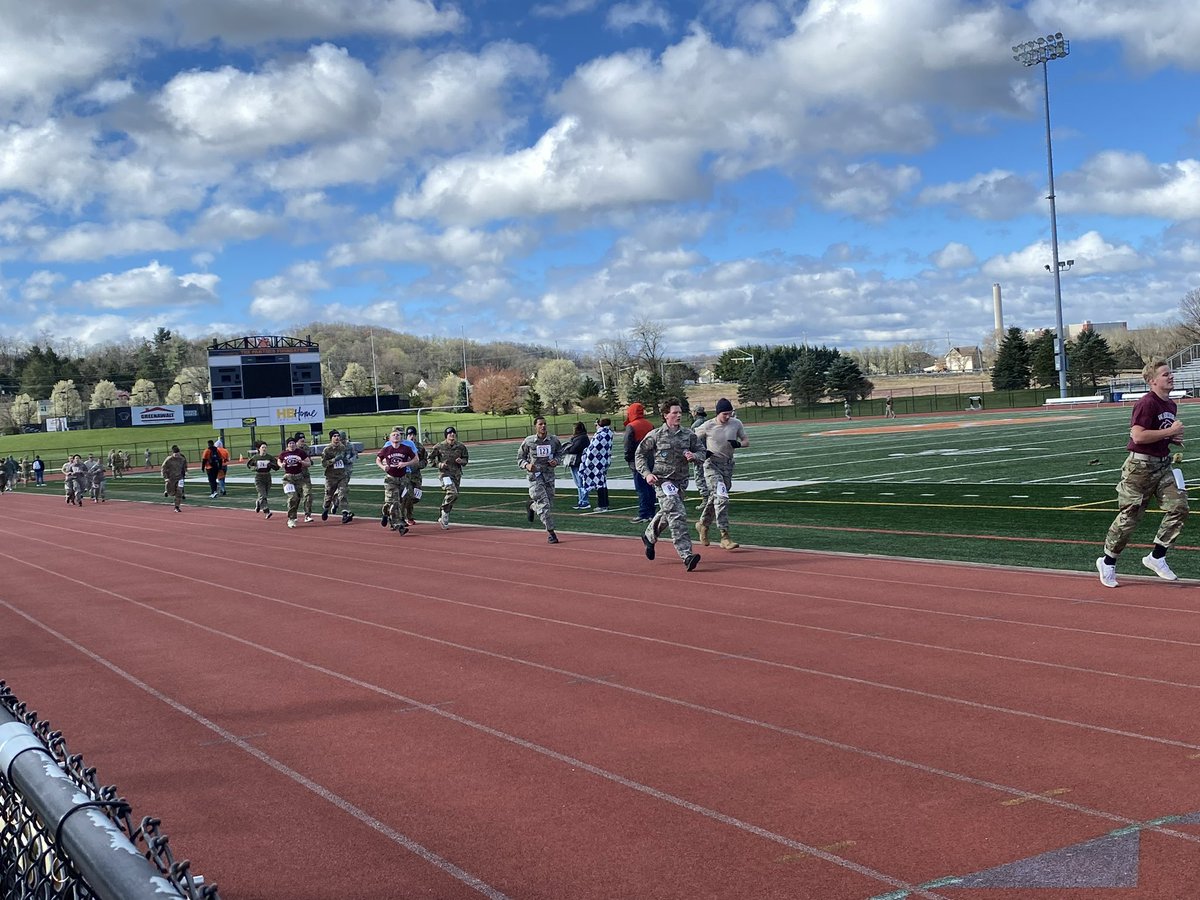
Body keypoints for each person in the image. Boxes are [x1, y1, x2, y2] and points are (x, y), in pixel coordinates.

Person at [1096, 360, 1189, 587]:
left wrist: (1171, 438)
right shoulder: (1146, 404)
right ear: (1152, 380)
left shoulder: (1170, 405)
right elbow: (1137, 436)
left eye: (1171, 373)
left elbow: (1157, 433)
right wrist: (1169, 431)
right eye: (1166, 374)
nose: (1171, 377)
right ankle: (1108, 562)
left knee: (1179, 507)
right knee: (1129, 518)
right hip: (1139, 469)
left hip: (1162, 466)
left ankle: (1157, 557)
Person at [635, 399, 704, 571]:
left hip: (680, 482)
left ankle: (649, 535)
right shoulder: (656, 435)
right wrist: (647, 474)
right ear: (665, 415)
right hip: (662, 481)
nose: (678, 415)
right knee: (677, 514)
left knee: (667, 513)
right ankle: (686, 555)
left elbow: (702, 452)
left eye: (680, 412)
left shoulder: (689, 435)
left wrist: (694, 457)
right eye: (674, 412)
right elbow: (640, 454)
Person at [694, 397, 749, 550]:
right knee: (723, 497)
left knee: (716, 497)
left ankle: (703, 524)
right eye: (724, 414)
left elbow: (746, 440)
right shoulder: (708, 425)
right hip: (712, 465)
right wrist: (702, 453)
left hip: (728, 465)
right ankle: (724, 535)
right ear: (718, 413)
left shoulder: (736, 424)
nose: (727, 417)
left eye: (730, 414)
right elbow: (691, 440)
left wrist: (738, 444)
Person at [517, 416, 562, 543]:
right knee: (544, 506)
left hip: (549, 477)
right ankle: (551, 533)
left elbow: (560, 452)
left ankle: (531, 506)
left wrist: (556, 461)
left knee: (549, 504)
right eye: (540, 424)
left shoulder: (553, 440)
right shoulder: (529, 441)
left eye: (545, 424)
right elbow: (520, 458)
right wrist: (527, 465)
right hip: (535, 478)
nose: (543, 426)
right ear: (535, 426)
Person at [376, 428, 417, 534]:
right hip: (391, 479)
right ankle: (398, 525)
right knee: (394, 502)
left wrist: (405, 464)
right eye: (394, 434)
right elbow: (378, 459)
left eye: (398, 435)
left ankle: (386, 513)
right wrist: (383, 467)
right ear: (390, 438)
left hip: (403, 478)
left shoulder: (406, 448)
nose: (396, 436)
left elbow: (416, 459)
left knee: (402, 499)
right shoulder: (386, 449)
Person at [428, 425, 469, 529]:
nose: (452, 435)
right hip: (445, 474)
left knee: (455, 495)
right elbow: (430, 459)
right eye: (450, 433)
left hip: (456, 474)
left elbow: (466, 460)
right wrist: (439, 464)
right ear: (446, 435)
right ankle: (444, 511)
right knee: (452, 492)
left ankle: (444, 514)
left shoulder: (461, 446)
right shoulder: (439, 446)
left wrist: (461, 461)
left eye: (453, 433)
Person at [623, 402, 656, 523]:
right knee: (650, 487)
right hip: (650, 459)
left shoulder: (631, 426)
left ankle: (643, 513)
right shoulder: (650, 425)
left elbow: (628, 445)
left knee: (641, 488)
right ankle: (652, 512)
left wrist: (629, 459)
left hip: (637, 461)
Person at [579, 418, 614, 512]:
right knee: (602, 483)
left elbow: (593, 448)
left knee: (599, 483)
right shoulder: (608, 433)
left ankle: (602, 505)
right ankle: (604, 504)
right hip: (604, 461)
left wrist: (585, 454)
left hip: (597, 462)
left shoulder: (601, 434)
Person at [320, 430, 354, 524]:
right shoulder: (327, 450)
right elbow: (323, 463)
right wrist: (334, 460)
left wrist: (347, 460)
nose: (337, 438)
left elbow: (346, 458)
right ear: (331, 438)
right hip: (331, 477)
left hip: (342, 475)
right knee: (328, 496)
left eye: (338, 436)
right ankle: (326, 509)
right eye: (334, 436)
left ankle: (345, 514)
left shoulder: (343, 447)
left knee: (343, 493)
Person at [278, 437, 311, 529]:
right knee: (293, 497)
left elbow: (309, 463)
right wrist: (281, 465)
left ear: (295, 444)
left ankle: (296, 514)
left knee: (298, 498)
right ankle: (291, 518)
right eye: (289, 443)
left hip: (299, 477)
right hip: (288, 478)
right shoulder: (284, 453)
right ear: (287, 445)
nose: (291, 445)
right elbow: (279, 461)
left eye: (293, 443)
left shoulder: (300, 452)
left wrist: (302, 462)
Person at [400, 425, 427, 526]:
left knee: (416, 497)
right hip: (405, 477)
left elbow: (425, 460)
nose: (412, 436)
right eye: (409, 434)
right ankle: (405, 517)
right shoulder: (402, 447)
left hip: (416, 477)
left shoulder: (419, 447)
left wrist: (418, 465)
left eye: (413, 434)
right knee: (407, 496)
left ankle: (406, 515)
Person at [246, 440, 279, 520]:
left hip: (267, 477)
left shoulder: (270, 457)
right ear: (259, 449)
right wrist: (255, 468)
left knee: (264, 495)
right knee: (263, 495)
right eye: (262, 447)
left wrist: (271, 465)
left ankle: (258, 502)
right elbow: (249, 465)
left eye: (265, 447)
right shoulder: (255, 457)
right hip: (259, 477)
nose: (264, 449)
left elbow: (277, 467)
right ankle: (267, 511)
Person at [562, 422, 591, 509]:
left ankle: (584, 501)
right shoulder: (579, 438)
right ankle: (581, 500)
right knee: (579, 483)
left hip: (578, 462)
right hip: (576, 462)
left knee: (581, 482)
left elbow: (574, 449)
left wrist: (568, 447)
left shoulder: (581, 438)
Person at [292, 433, 315, 522]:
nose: (303, 442)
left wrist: (309, 462)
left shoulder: (306, 448)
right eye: (300, 441)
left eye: (303, 440)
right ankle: (293, 515)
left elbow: (309, 460)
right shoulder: (291, 450)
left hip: (305, 475)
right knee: (296, 497)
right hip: (295, 476)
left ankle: (307, 514)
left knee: (308, 494)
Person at [160, 446, 187, 512]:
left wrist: (185, 472)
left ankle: (177, 507)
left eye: (178, 454)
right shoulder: (169, 460)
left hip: (179, 478)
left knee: (179, 492)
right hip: (171, 478)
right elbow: (163, 469)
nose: (177, 455)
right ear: (172, 453)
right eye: (175, 454)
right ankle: (167, 490)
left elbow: (184, 467)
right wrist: (165, 477)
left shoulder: (182, 459)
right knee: (171, 492)